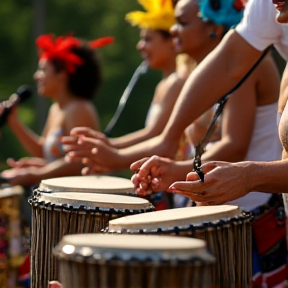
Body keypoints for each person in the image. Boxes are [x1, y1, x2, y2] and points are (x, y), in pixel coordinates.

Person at [0, 34, 113, 187]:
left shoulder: (78, 108)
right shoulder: (56, 109)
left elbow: (81, 162)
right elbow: (45, 152)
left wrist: (38, 174)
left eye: (43, 70)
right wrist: (14, 123)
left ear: (62, 74)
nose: (36, 76)